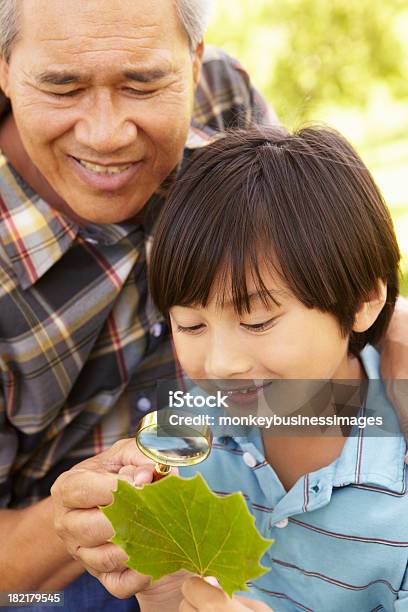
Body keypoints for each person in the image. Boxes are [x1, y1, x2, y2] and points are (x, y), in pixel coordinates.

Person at [0, 0, 406, 608]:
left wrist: (389, 353)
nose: (106, 132)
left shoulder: (222, 98)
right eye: (64, 87)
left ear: (193, 64)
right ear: (4, 68)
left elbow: (316, 245)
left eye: (142, 83)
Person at [147, 126, 408, 611]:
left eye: (257, 321)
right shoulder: (187, 427)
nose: (221, 364)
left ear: (364, 301)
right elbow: (163, 589)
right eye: (191, 325)